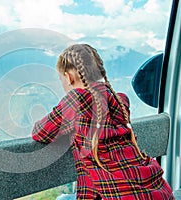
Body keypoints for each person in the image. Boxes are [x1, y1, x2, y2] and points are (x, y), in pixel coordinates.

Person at [32, 44, 174, 200]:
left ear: (69, 77)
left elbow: (40, 133)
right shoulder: (121, 100)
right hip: (154, 189)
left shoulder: (75, 100)